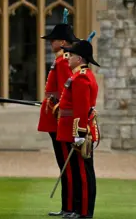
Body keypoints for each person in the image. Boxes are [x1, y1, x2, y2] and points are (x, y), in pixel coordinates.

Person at [37, 23, 79, 217]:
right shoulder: (61, 60)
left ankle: (69, 207)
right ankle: (67, 207)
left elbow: (65, 93)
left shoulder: (63, 62)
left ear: (63, 42)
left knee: (67, 167)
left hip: (59, 120)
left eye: (53, 40)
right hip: (55, 117)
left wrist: (54, 107)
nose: (50, 43)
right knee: (65, 166)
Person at [57, 40, 99, 219]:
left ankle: (83, 212)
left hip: (77, 131)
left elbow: (81, 108)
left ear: (80, 58)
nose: (68, 58)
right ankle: (77, 209)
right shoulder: (79, 75)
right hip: (71, 129)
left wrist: (79, 133)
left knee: (82, 172)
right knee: (77, 171)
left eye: (71, 55)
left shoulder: (81, 77)